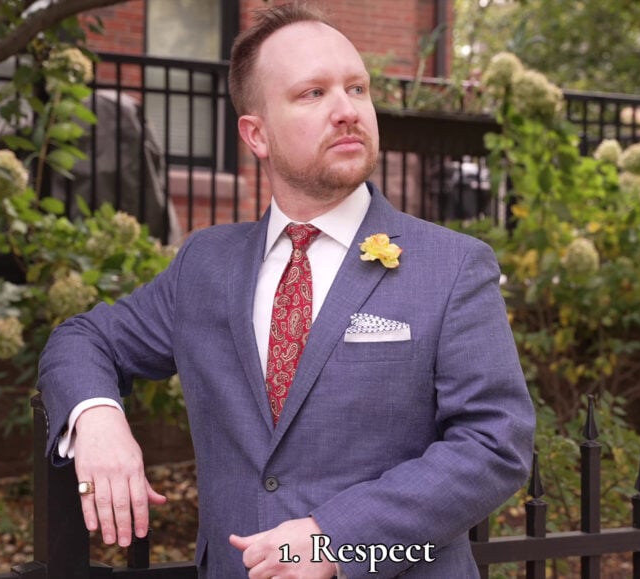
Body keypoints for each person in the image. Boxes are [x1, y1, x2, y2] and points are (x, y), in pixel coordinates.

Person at [37, 4, 535, 577]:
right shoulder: (206, 264)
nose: (347, 110)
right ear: (256, 134)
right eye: (313, 94)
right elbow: (84, 338)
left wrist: (334, 539)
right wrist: (97, 418)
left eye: (357, 88)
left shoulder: (451, 267)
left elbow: (494, 444)